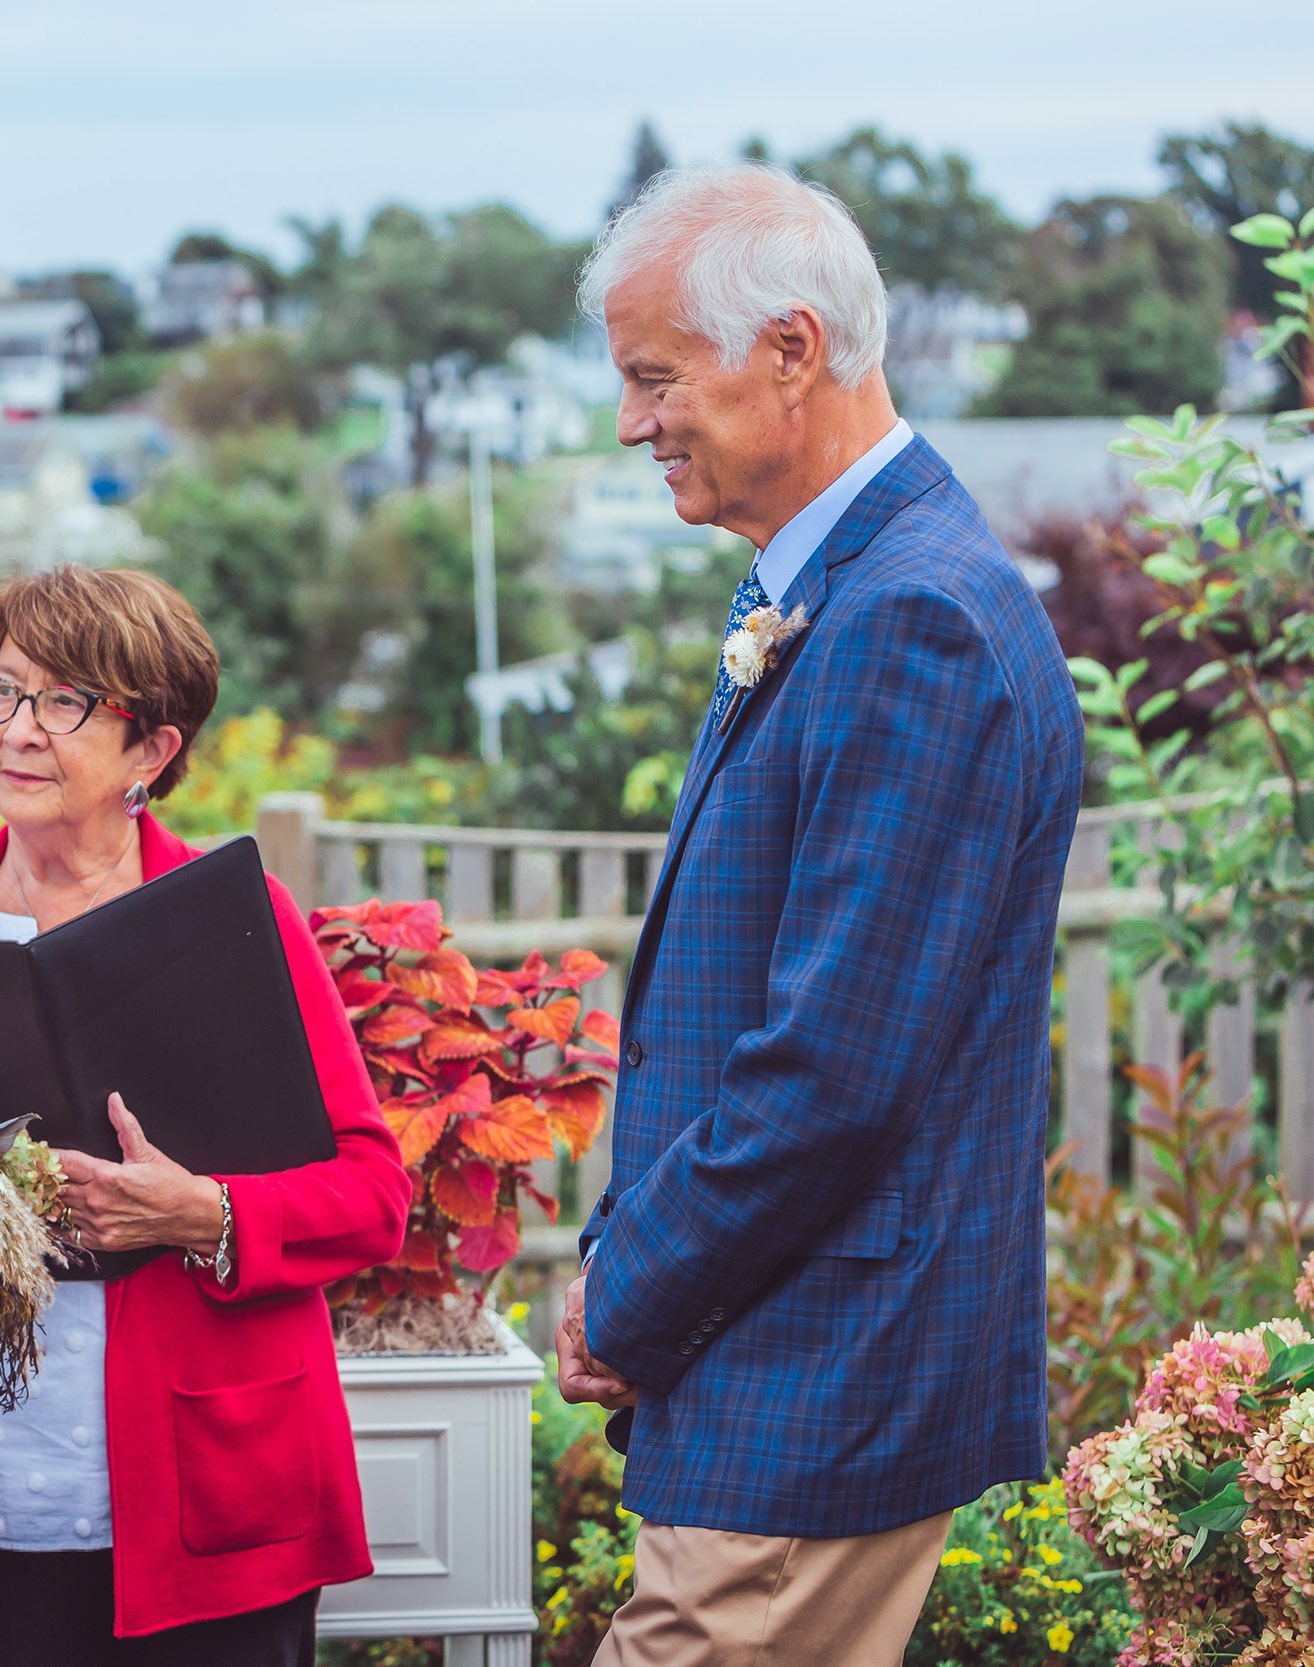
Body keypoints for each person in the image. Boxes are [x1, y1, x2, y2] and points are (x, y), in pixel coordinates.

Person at [556, 164, 1084, 1665]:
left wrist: (627, 1291)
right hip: (780, 1357)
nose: (630, 421)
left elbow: (830, 1071)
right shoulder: (848, 588)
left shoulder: (913, 618)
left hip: (816, 1370)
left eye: (656, 377)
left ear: (791, 351)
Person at [0, 566, 412, 1667]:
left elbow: (375, 1195)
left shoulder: (236, 922)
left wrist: (203, 1212)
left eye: (64, 701)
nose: (16, 730)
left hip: (211, 1486)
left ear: (152, 748)